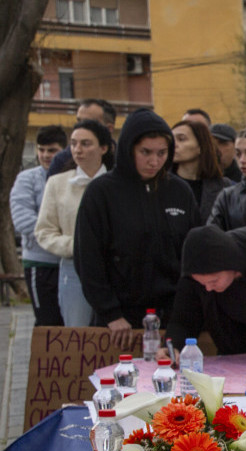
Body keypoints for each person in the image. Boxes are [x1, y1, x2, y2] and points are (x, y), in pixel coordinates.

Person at [74, 109, 199, 346]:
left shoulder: (180, 191)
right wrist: (110, 313)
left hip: (172, 317)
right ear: (129, 149)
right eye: (146, 152)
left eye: (162, 153)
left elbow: (193, 255)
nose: (154, 161)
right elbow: (88, 258)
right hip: (120, 321)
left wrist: (185, 314)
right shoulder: (101, 193)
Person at [167, 225, 246, 356]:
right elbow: (183, 319)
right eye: (203, 283)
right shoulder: (194, 276)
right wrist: (174, 347)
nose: (208, 288)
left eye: (214, 281)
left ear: (231, 265)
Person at [34, 120, 110, 327]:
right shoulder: (57, 183)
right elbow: (44, 231)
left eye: (86, 144)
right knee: (78, 333)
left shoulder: (117, 184)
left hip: (114, 267)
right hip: (74, 267)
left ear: (104, 148)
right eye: (74, 144)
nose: (78, 150)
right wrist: (74, 245)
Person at [10, 125, 66, 325]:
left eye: (52, 150)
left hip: (71, 264)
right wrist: (60, 237)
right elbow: (23, 220)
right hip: (40, 263)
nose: (45, 155)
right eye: (41, 150)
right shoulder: (27, 179)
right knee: (47, 323)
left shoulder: (73, 178)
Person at [171, 119, 234, 224]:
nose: (174, 145)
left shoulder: (222, 186)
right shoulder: (161, 184)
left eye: (181, 139)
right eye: (171, 140)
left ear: (200, 146)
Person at [47, 98, 115, 177]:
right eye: (79, 121)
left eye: (89, 123)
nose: (81, 127)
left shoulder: (124, 159)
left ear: (109, 128)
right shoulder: (61, 161)